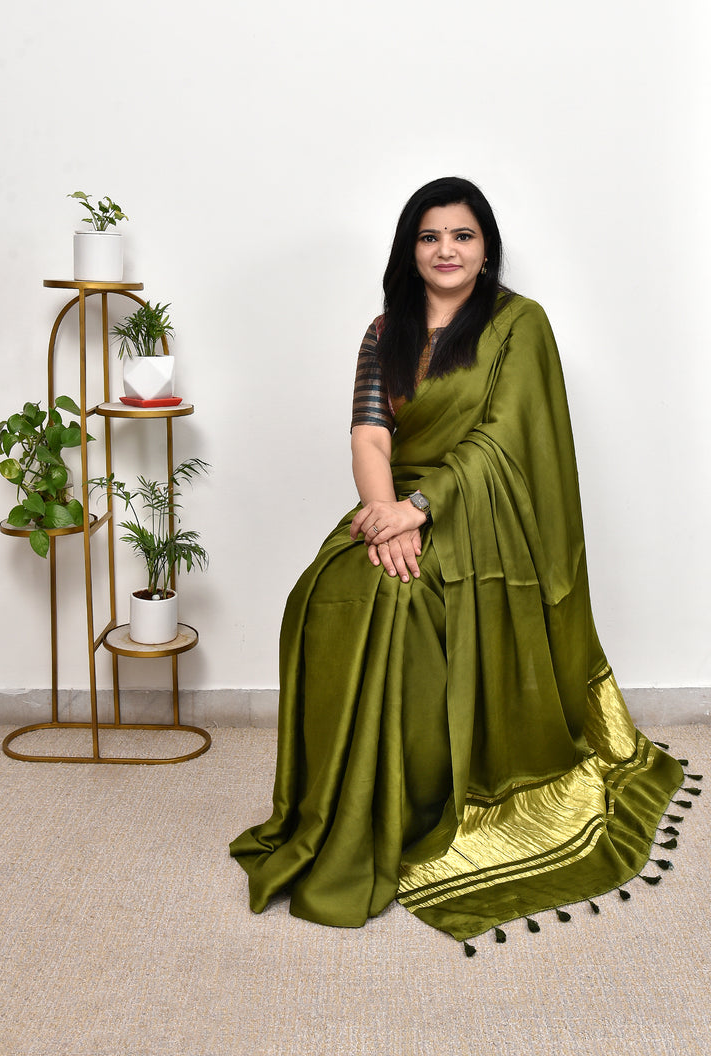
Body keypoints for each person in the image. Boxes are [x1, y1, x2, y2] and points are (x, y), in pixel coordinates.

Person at [229, 177, 685, 947]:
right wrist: (385, 518)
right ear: (410, 250)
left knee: (404, 600)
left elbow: (504, 440)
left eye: (462, 235)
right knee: (329, 589)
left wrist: (421, 508)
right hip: (396, 508)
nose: (447, 249)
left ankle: (422, 802)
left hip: (486, 518)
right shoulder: (386, 332)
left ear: (486, 248)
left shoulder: (518, 324)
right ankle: (347, 805)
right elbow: (370, 437)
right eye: (430, 236)